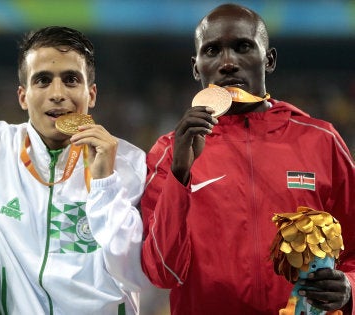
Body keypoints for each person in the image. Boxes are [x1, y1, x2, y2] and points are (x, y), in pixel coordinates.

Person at [0, 26, 147, 314]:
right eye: (43, 81)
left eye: (71, 80)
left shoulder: (131, 163)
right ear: (23, 96)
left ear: (92, 93)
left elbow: (136, 274)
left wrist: (105, 185)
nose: (57, 94)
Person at [140, 3, 355, 314]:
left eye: (243, 47)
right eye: (212, 51)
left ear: (269, 59)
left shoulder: (321, 141)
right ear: (196, 67)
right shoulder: (170, 152)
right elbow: (160, 271)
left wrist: (348, 285)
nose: (228, 63)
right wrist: (180, 175)